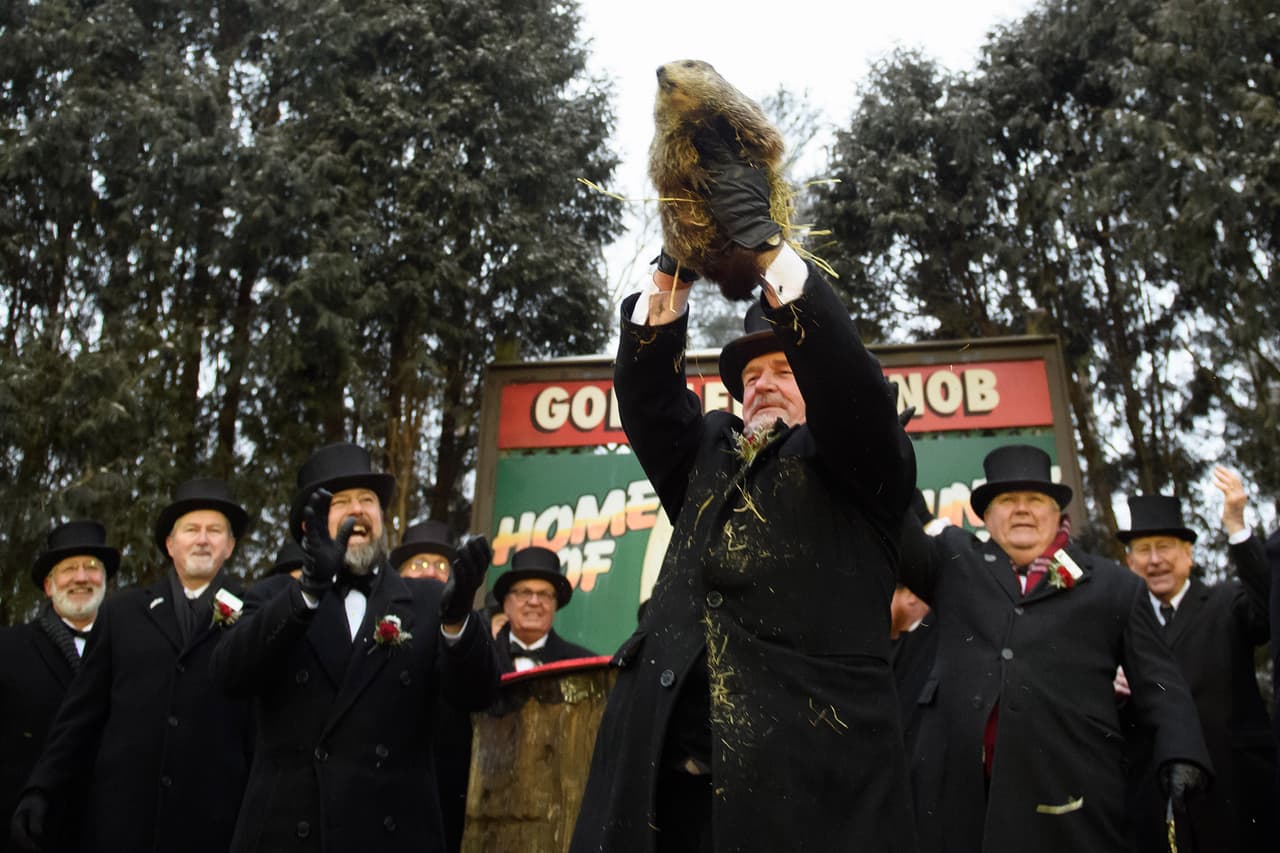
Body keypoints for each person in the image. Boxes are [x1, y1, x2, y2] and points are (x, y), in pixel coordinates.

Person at [571, 136, 918, 853]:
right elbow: (648, 399)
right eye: (747, 376)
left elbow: (851, 390)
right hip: (661, 797)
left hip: (802, 800)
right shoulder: (707, 457)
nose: (759, 383)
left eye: (781, 370)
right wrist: (676, 260)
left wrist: (766, 249)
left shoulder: (862, 458)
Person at [899, 444, 1211, 853]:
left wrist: (1182, 752)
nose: (1022, 510)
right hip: (960, 803)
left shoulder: (1114, 586)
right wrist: (883, 445)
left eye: (1036, 500)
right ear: (986, 517)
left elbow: (1160, 681)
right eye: (1007, 501)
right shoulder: (954, 563)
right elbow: (893, 530)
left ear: (1057, 513)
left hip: (1069, 800)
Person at [210, 441, 499, 853]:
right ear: (310, 526)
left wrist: (457, 623)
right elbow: (227, 674)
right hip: (291, 832)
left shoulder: (425, 601)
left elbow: (477, 695)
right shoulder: (276, 597)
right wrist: (307, 592)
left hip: (395, 832)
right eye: (340, 502)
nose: (358, 510)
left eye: (368, 500)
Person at [11, 478, 254, 853]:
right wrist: (41, 789)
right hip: (123, 825)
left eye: (214, 530)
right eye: (191, 529)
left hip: (216, 825)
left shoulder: (255, 614)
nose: (203, 539)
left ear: (231, 545)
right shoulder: (122, 614)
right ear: (170, 544)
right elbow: (80, 716)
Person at [1119, 468, 1276, 853]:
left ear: (1188, 554)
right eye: (1143, 550)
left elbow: (1267, 609)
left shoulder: (1225, 602)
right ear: (1129, 561)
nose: (1155, 560)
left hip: (1234, 787)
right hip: (1157, 794)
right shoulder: (1120, 621)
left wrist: (1237, 527)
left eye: (1165, 546)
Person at [0, 521, 117, 853]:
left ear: (105, 582)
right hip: (27, 833)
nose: (81, 577)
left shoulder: (131, 649)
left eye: (92, 568)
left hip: (108, 832)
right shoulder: (8, 648)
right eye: (69, 569)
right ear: (49, 586)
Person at [392, 517, 469, 853]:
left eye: (440, 565)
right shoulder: (376, 621)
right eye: (420, 563)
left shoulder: (467, 627)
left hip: (447, 787)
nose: (430, 573)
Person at [492, 546, 595, 673]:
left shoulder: (584, 665)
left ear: (555, 605)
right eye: (525, 592)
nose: (534, 602)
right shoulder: (481, 659)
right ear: (506, 604)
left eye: (544, 594)